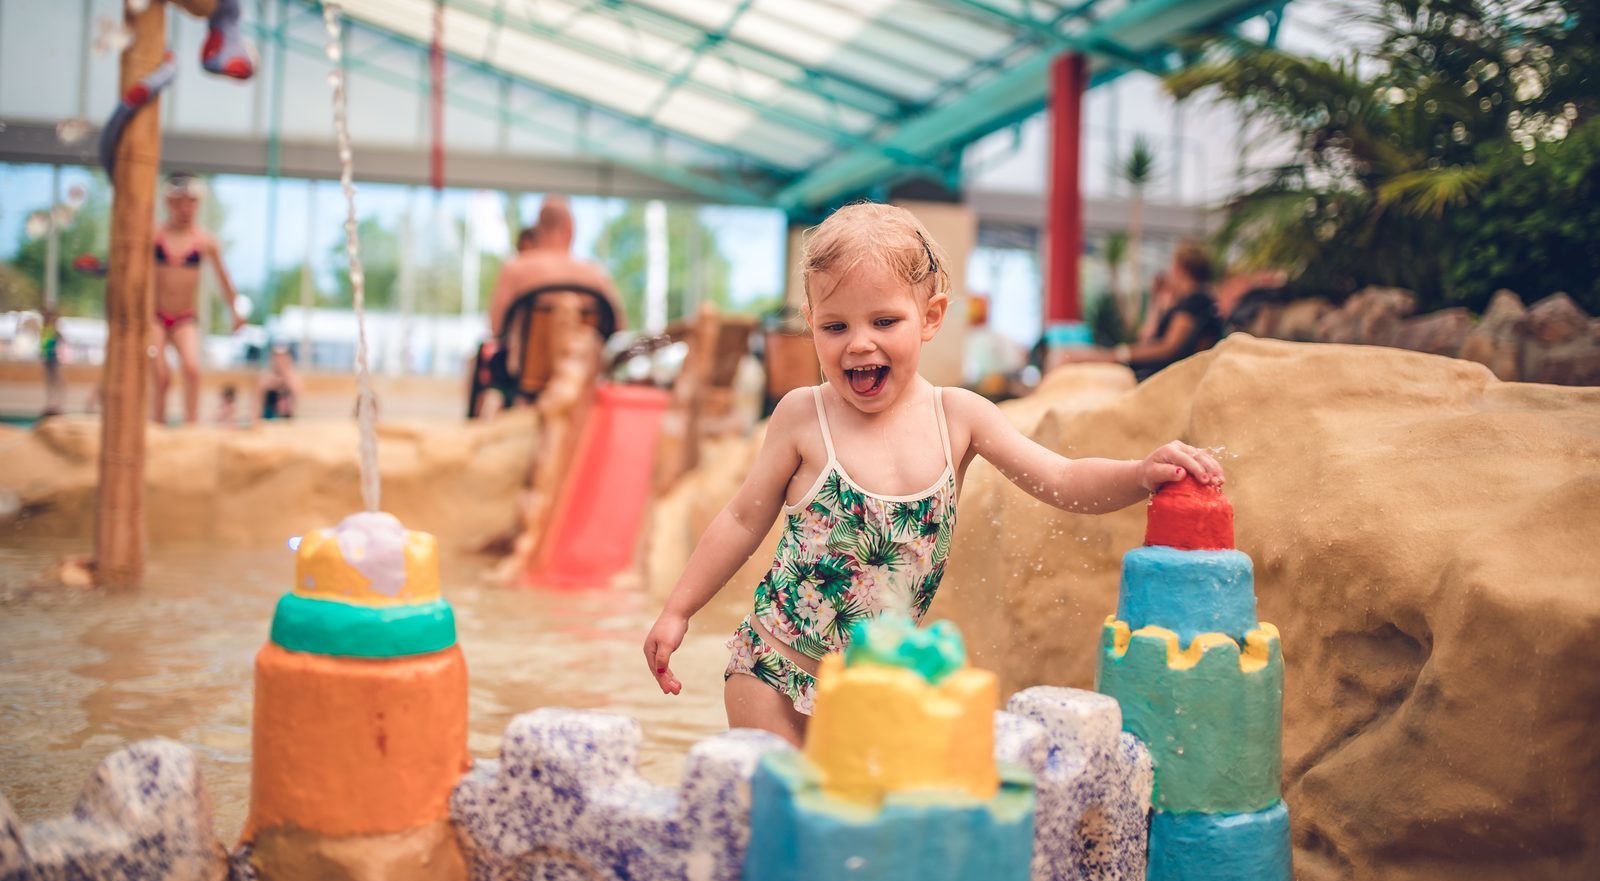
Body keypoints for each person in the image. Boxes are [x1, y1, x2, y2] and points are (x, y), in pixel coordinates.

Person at [641, 203, 1225, 745]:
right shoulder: (802, 416)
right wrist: (678, 610)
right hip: (772, 669)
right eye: (835, 326)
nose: (858, 343)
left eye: (884, 320)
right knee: (773, 825)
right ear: (811, 323)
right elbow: (742, 518)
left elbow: (1063, 480)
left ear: (931, 316)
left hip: (875, 691)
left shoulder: (959, 418)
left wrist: (1141, 473)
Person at [151, 173, 245, 424]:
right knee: (160, 375)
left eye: (191, 203)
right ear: (168, 203)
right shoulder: (154, 237)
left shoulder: (204, 241)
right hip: (155, 317)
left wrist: (235, 311)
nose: (186, 209)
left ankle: (190, 427)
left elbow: (224, 279)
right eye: (180, 203)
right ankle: (157, 426)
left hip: (184, 318)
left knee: (193, 370)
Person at [1058, 242, 1224, 381]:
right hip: (1150, 366)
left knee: (1068, 357)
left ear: (1181, 269)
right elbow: (1146, 336)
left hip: (1156, 372)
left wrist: (1123, 354)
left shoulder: (1196, 301)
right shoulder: (1190, 301)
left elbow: (1169, 348)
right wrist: (1156, 304)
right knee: (1068, 355)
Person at [486, 198, 626, 337]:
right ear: (571, 230)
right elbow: (619, 329)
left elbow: (496, 327)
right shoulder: (596, 274)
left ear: (538, 229)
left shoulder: (515, 268)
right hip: (582, 359)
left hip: (526, 359)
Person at [256, 344, 300, 420]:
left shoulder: (293, 378)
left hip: (286, 419)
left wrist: (285, 375)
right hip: (268, 417)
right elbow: (258, 400)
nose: (279, 360)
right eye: (277, 357)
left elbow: (297, 397)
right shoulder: (266, 377)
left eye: (283, 357)